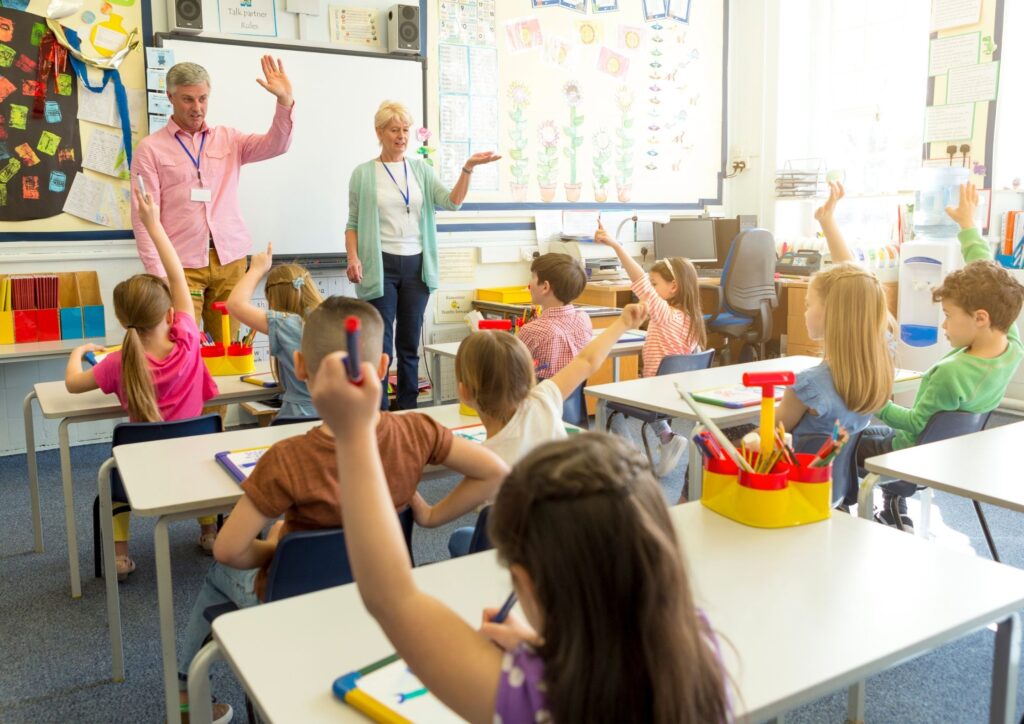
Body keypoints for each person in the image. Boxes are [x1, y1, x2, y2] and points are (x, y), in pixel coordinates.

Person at [308, 359, 731, 723]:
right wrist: (537, 646)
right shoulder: (697, 643)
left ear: (525, 583)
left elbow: (391, 597)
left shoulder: (537, 699)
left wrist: (354, 433)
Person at [174, 296, 508, 722]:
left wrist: (276, 548)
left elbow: (227, 549)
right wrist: (429, 514)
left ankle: (188, 695)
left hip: (294, 599)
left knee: (218, 574)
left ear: (299, 365)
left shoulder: (286, 459)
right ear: (384, 364)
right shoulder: (417, 430)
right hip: (386, 590)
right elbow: (494, 471)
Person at [65, 189, 220, 579]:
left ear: (123, 322)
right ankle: (209, 532)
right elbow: (177, 276)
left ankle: (118, 556)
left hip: (142, 471)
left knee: (114, 474)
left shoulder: (118, 362)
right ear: (170, 315)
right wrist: (153, 223)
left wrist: (78, 351)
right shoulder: (187, 339)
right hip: (192, 463)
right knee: (206, 454)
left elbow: (71, 385)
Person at [411, 304, 647, 551]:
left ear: (464, 392)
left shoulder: (485, 464)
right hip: (571, 542)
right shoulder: (544, 398)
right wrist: (623, 323)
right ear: (528, 373)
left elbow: (429, 517)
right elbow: (587, 360)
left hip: (517, 559)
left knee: (460, 537)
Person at [857, 183, 1024, 530]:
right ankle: (894, 502)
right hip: (943, 457)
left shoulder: (951, 373)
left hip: (905, 455)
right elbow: (990, 276)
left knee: (845, 444)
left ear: (980, 318)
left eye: (948, 314)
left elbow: (914, 425)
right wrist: (968, 226)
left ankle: (847, 507)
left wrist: (876, 400)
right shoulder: (1010, 343)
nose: (943, 324)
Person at [345, 100, 500, 410]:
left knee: (408, 344)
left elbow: (452, 202)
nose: (402, 136)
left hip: (416, 265)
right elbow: (352, 224)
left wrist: (467, 168)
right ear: (379, 132)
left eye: (406, 130)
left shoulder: (420, 170)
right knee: (379, 345)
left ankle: (407, 409)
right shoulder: (364, 174)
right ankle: (377, 411)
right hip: (381, 267)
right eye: (394, 130)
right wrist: (353, 257)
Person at [131, 57, 295, 343]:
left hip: (229, 259)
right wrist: (159, 275)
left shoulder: (229, 139)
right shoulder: (150, 149)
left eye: (203, 98)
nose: (197, 108)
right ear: (170, 97)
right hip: (181, 265)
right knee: (184, 346)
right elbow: (143, 219)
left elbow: (277, 145)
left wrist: (284, 101)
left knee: (227, 348)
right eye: (188, 99)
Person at [775, 262, 894, 507]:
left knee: (710, 436)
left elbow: (769, 436)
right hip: (833, 490)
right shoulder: (876, 372)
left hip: (791, 488)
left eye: (808, 305)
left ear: (832, 313)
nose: (804, 311)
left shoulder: (808, 385)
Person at [596, 220, 706, 476]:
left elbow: (639, 280)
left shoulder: (666, 314)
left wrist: (615, 245)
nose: (651, 290)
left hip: (658, 393)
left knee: (607, 403)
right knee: (634, 395)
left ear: (673, 287)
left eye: (655, 285)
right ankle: (667, 438)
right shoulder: (693, 317)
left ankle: (634, 458)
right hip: (678, 392)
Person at [226, 243, 323, 418]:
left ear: (274, 298)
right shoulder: (333, 319)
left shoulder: (287, 324)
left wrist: (256, 270)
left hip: (299, 419)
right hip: (337, 420)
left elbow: (235, 304)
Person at [516, 253, 592, 379]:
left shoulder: (532, 331)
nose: (529, 284)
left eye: (533, 277)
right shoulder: (584, 319)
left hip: (540, 397)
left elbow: (510, 370)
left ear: (545, 287)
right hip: (573, 397)